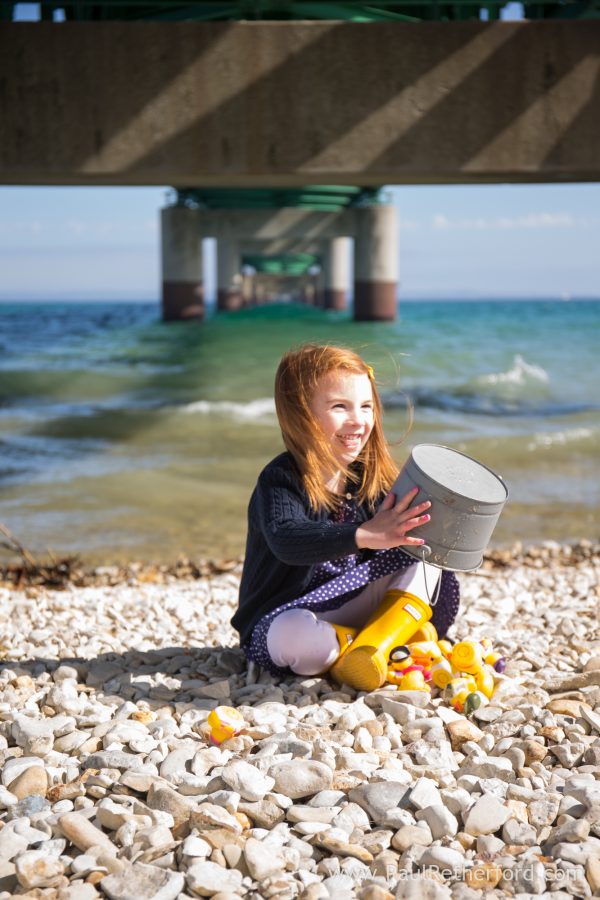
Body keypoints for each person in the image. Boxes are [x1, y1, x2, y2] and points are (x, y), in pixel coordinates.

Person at [231, 343, 460, 690]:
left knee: (425, 556)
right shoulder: (281, 479)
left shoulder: (368, 476)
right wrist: (364, 534)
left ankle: (374, 646)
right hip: (290, 612)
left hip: (355, 598)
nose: (358, 420)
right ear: (300, 414)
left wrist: (441, 521)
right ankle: (383, 644)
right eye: (340, 406)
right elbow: (287, 538)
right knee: (298, 641)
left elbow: (408, 535)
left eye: (366, 406)